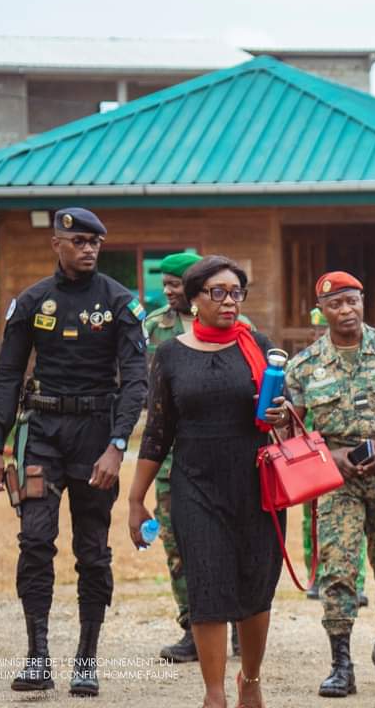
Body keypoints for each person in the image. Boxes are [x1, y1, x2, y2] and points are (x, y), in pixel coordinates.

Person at [0, 207, 148, 696]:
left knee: (92, 552)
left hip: (98, 436)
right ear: (57, 244)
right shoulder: (33, 302)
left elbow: (136, 381)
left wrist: (119, 445)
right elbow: (8, 374)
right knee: (34, 542)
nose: (89, 249)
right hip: (44, 433)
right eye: (79, 242)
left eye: (95, 242)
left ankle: (86, 660)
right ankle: (37, 658)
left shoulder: (119, 303)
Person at [128, 255, 289, 708]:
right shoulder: (170, 354)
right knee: (206, 585)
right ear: (194, 299)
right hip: (195, 486)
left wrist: (281, 413)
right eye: (217, 292)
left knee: (257, 587)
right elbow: (158, 432)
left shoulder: (259, 345)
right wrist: (135, 500)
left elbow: (290, 415)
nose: (229, 301)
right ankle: (215, 692)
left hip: (258, 484)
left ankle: (251, 681)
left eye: (236, 292)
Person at [286, 271, 375, 698]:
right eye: (336, 304)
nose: (347, 311)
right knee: (338, 568)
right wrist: (333, 456)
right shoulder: (303, 367)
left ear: (364, 301)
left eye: (352, 301)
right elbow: (295, 434)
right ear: (321, 311)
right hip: (335, 477)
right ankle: (340, 662)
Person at [143, 251, 242, 662]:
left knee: (234, 545)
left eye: (176, 282)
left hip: (226, 457)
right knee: (179, 546)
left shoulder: (240, 326)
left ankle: (237, 623)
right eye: (165, 283)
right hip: (172, 459)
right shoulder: (154, 328)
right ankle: (193, 626)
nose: (169, 290)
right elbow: (153, 396)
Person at [302, 307, 369, 606]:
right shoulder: (306, 365)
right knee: (312, 521)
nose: (319, 334)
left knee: (357, 524)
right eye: (315, 330)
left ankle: (358, 582)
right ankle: (315, 574)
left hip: (349, 458)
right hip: (313, 459)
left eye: (321, 329)